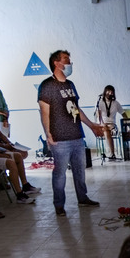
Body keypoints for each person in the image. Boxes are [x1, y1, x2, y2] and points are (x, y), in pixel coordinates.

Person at [38, 49, 103, 217]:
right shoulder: (47, 85)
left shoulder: (70, 84)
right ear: (56, 63)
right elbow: (44, 111)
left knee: (80, 170)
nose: (69, 63)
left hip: (76, 136)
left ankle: (83, 198)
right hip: (59, 138)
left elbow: (75, 109)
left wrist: (91, 125)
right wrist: (48, 134)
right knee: (59, 173)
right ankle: (59, 204)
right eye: (66, 59)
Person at [95, 85, 123, 161]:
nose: (110, 93)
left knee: (108, 130)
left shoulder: (116, 103)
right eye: (108, 91)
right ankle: (112, 153)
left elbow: (123, 113)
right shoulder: (100, 102)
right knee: (106, 129)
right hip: (102, 124)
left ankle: (111, 152)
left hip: (112, 125)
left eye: (112, 91)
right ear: (105, 92)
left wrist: (129, 125)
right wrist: (102, 123)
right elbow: (98, 115)